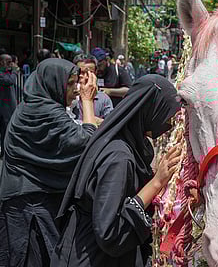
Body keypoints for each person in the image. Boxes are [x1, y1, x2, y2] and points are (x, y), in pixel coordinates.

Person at [52, 75, 182, 267]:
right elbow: (109, 233)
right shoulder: (119, 157)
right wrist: (157, 182)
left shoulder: (123, 142)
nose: (168, 125)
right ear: (150, 111)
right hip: (92, 257)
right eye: (166, 116)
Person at [0, 58, 97, 266]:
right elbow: (87, 142)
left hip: (28, 200)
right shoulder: (45, 113)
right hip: (30, 206)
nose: (76, 90)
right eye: (70, 84)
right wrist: (88, 102)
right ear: (52, 84)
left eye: (75, 83)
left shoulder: (35, 106)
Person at [72, 54, 114, 123]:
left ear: (96, 73)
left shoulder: (103, 99)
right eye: (81, 73)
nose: (86, 77)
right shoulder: (69, 96)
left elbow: (111, 124)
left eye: (90, 73)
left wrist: (99, 121)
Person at [0, 53, 17, 158]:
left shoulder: (6, 72)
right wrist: (15, 71)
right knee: (5, 130)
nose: (11, 64)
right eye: (9, 62)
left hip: (7, 107)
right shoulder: (2, 74)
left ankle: (5, 152)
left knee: (6, 131)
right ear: (1, 62)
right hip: (4, 108)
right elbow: (10, 81)